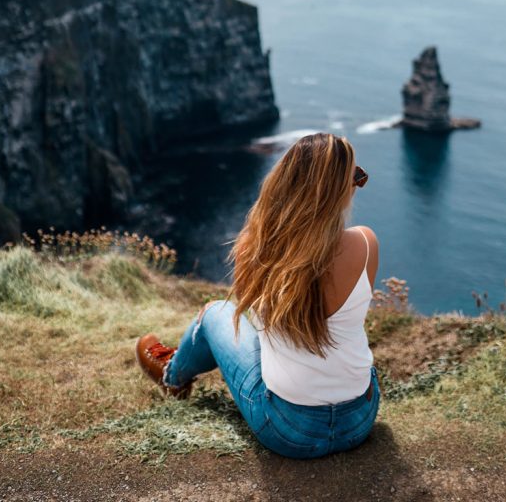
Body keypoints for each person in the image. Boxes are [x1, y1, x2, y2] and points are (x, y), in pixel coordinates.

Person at [135, 132, 380, 459]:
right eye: (356, 177)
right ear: (338, 192)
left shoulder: (256, 247)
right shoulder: (365, 244)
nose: (357, 186)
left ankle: (172, 376)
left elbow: (266, 312)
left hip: (289, 431)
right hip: (359, 420)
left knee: (216, 313)